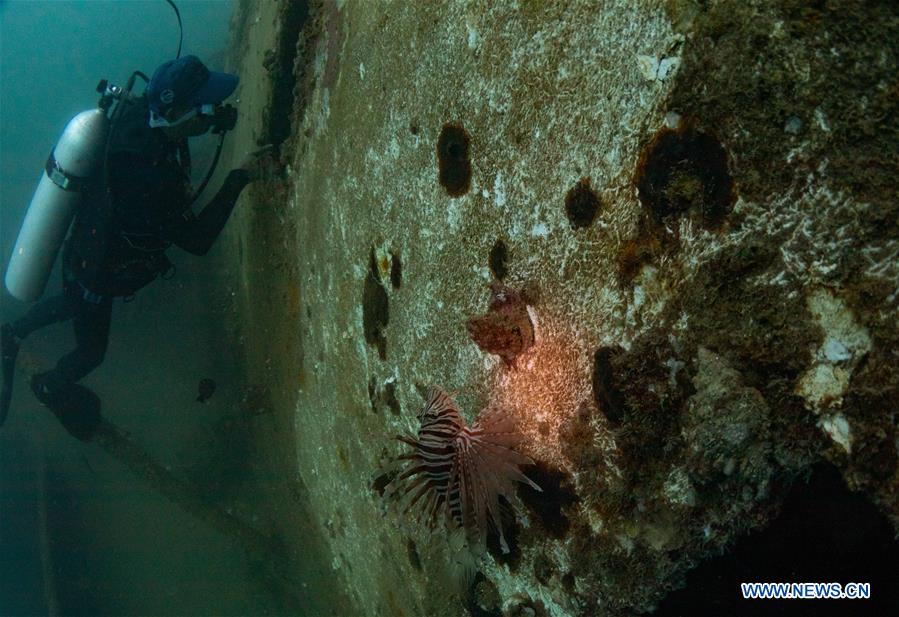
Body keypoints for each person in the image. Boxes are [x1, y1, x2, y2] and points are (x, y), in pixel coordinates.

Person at [0, 55, 273, 440]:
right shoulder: (149, 180)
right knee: (91, 351)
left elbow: (177, 125)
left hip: (80, 249)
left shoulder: (138, 115)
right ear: (176, 110)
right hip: (98, 271)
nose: (208, 112)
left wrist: (211, 121)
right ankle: (49, 385)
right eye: (203, 107)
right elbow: (197, 241)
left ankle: (13, 331)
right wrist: (239, 177)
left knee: (74, 298)